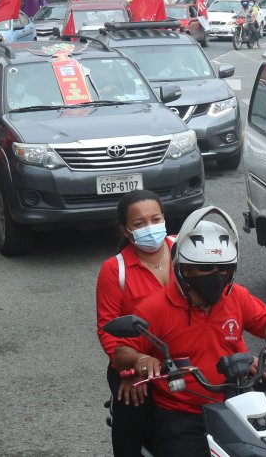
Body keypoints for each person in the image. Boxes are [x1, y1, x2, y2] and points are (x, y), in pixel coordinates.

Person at [111, 208, 266, 457]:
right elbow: (121, 351)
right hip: (184, 413)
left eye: (223, 268)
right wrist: (140, 359)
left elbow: (265, 320)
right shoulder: (155, 307)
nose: (216, 275)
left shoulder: (235, 296)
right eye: (206, 269)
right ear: (184, 269)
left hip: (236, 403)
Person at [96, 191, 175, 457]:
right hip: (136, 367)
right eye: (140, 224)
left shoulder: (185, 250)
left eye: (155, 219)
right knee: (131, 414)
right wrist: (131, 369)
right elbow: (108, 330)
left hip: (187, 358)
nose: (150, 228)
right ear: (126, 230)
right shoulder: (114, 270)